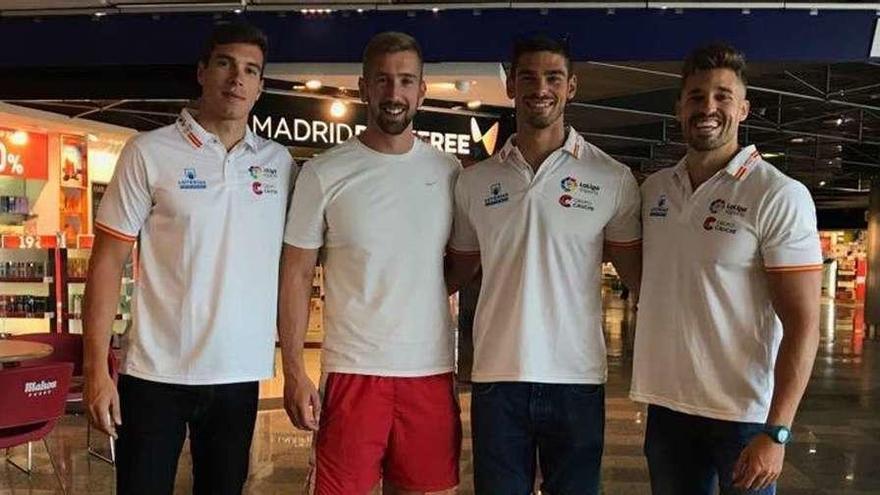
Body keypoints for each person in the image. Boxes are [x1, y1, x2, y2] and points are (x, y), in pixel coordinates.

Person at [82, 22, 295, 495]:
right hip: (154, 374)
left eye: (250, 70)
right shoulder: (149, 152)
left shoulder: (279, 164)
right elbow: (106, 263)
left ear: (260, 87)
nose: (237, 79)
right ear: (202, 71)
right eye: (225, 64)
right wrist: (97, 371)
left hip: (238, 376)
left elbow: (295, 267)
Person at [446, 34, 642, 495]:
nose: (541, 88)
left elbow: (641, 282)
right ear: (511, 85)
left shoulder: (611, 178)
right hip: (498, 377)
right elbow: (454, 272)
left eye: (553, 77)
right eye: (528, 77)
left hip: (575, 378)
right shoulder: (474, 182)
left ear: (571, 87)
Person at [630, 43, 822, 495]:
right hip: (668, 407)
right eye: (696, 96)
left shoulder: (777, 194)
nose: (708, 107)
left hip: (742, 416)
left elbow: (803, 324)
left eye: (722, 95)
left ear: (744, 108)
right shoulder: (656, 189)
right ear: (679, 108)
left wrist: (777, 432)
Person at [278, 32, 461, 495]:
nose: (394, 93)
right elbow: (296, 274)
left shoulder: (449, 173)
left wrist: (423, 294)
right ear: (363, 88)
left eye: (405, 81)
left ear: (421, 91)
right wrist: (295, 370)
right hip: (352, 372)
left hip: (429, 371)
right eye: (382, 80)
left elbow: (462, 264)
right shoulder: (324, 173)